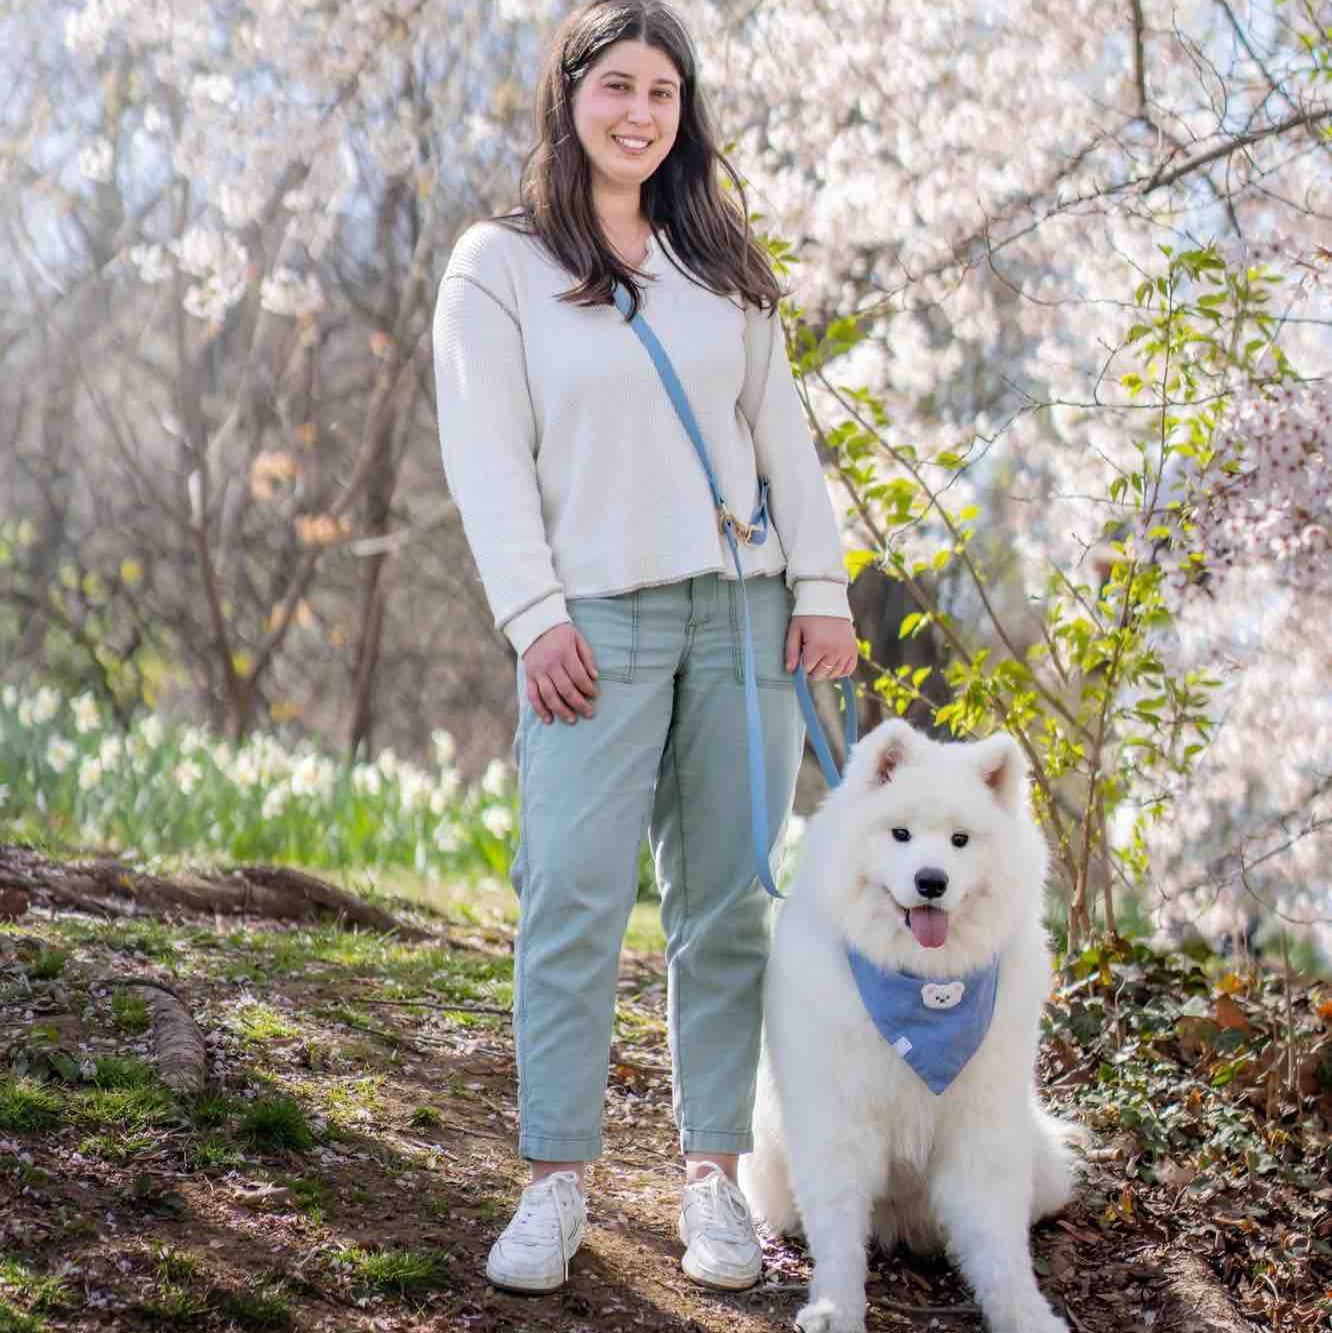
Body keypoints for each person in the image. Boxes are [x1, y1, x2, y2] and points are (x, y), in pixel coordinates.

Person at [433, 0, 857, 1298]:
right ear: (570, 97)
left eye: (663, 93)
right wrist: (534, 614)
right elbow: (486, 456)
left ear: (685, 114)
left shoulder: (719, 261)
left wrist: (823, 584)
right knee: (570, 889)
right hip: (591, 622)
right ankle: (555, 1179)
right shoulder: (498, 265)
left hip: (742, 614)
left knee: (729, 901)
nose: (638, 112)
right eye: (616, 85)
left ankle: (711, 1180)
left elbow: (783, 435)